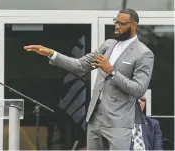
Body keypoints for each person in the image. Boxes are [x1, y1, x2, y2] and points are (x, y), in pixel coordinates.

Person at [24, 8, 154, 150]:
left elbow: (139, 89)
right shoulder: (108, 45)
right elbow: (80, 65)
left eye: (122, 23)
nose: (117, 26)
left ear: (134, 25)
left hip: (119, 122)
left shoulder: (144, 53)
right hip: (95, 119)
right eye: (116, 22)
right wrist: (51, 53)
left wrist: (111, 71)